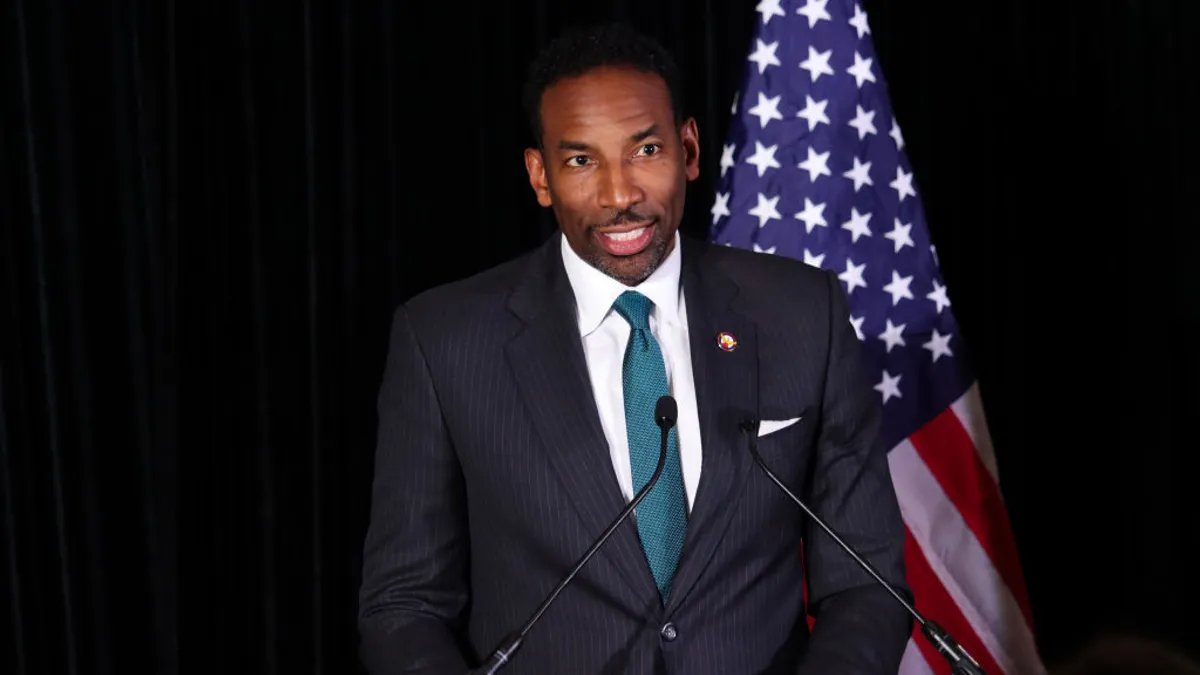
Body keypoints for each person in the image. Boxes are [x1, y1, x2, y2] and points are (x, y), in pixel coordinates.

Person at [357, 21, 911, 675]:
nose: (620, 195)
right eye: (581, 160)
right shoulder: (445, 341)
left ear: (689, 148)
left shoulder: (801, 314)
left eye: (646, 150)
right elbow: (404, 603)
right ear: (540, 176)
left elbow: (865, 583)